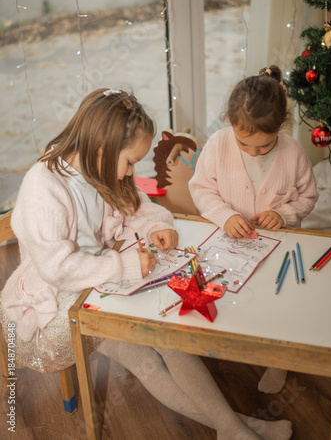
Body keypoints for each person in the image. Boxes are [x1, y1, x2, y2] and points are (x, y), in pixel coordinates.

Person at [1, 88, 292, 440]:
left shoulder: (99, 167)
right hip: (52, 314)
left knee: (165, 339)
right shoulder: (44, 187)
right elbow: (57, 269)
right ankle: (238, 427)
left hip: (96, 286)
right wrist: (123, 266)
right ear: (101, 149)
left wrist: (158, 226)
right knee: (152, 345)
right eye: (128, 161)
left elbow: (140, 207)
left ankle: (233, 428)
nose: (130, 172)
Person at [189, 66, 318, 395]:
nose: (253, 152)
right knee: (235, 293)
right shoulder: (218, 145)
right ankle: (234, 342)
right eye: (245, 143)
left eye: (264, 146)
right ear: (230, 123)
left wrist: (283, 212)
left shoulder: (293, 152)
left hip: (281, 243)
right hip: (230, 240)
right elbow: (201, 189)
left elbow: (308, 196)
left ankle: (279, 357)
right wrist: (223, 214)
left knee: (278, 300)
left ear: (281, 127)